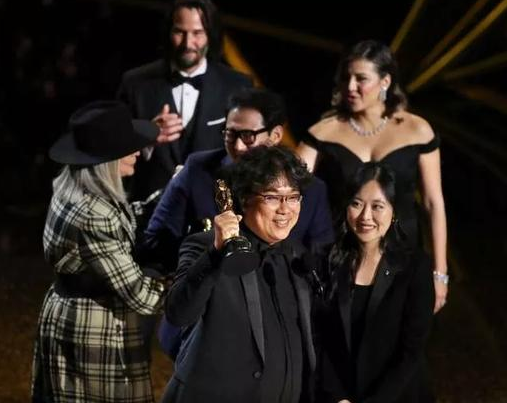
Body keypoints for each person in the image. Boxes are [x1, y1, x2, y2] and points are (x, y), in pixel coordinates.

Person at [145, 88, 334, 358]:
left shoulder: (311, 190)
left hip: (274, 334)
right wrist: (203, 247)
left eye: (248, 136)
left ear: (275, 135)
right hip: (199, 331)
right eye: (230, 134)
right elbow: (155, 243)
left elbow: (320, 261)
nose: (238, 146)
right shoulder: (198, 169)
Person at [296, 39, 448, 313]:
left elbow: (433, 203)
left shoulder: (418, 130)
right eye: (346, 78)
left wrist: (440, 272)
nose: (350, 86)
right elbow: (290, 190)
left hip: (404, 256)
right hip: (340, 258)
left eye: (361, 79)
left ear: (385, 81)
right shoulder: (323, 132)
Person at [31, 101, 168, 403]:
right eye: (128, 148)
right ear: (106, 161)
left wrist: (168, 197)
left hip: (68, 312)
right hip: (95, 326)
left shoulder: (74, 188)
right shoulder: (94, 214)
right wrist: (191, 285)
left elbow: (121, 220)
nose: (137, 152)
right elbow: (139, 295)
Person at [161, 145, 318, 403]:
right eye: (272, 197)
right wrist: (215, 254)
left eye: (293, 197)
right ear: (245, 198)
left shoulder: (298, 257)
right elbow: (179, 313)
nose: (285, 209)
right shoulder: (207, 246)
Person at [117, 0, 253, 202]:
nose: (188, 43)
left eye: (197, 33)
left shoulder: (238, 85)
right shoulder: (135, 83)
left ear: (210, 34)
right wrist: (146, 136)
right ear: (168, 32)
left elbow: (248, 157)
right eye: (180, 32)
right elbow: (110, 150)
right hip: (147, 211)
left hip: (214, 209)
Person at [320, 162, 435, 403]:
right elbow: (321, 339)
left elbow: (411, 350)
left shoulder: (415, 266)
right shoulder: (329, 261)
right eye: (356, 204)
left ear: (394, 212)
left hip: (398, 396)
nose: (365, 216)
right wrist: (336, 396)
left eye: (378, 206)